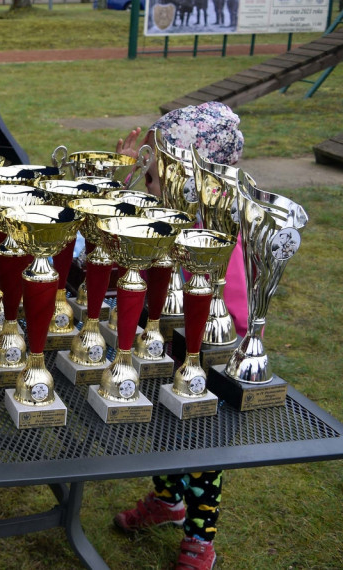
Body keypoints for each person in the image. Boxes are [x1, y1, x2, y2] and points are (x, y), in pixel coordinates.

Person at [114, 101, 247, 570]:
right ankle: (167, 499)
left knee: (202, 445)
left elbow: (236, 309)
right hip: (166, 342)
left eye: (155, 174)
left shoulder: (212, 232)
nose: (149, 185)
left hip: (207, 353)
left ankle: (200, 537)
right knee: (165, 426)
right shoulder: (165, 216)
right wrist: (122, 184)